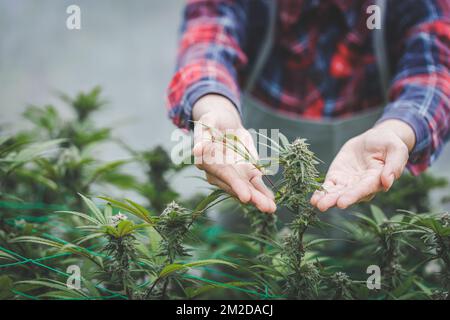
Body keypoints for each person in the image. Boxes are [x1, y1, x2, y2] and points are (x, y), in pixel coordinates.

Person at [166, 0, 449, 214]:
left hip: (372, 215)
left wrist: (398, 131)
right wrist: (215, 108)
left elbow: (435, 73)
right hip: (252, 207)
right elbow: (207, 38)